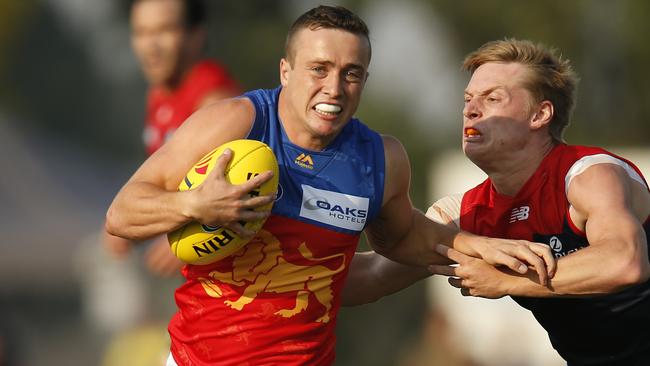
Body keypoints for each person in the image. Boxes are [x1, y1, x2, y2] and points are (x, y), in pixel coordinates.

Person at [106, 7, 554, 366]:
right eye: (318, 69)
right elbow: (122, 213)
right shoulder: (235, 123)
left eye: (351, 72)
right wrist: (194, 203)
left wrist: (484, 245)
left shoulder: (382, 160)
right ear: (286, 71)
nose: (334, 88)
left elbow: (404, 241)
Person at [426, 39, 650, 365]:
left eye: (492, 98)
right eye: (468, 99)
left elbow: (625, 262)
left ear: (540, 114)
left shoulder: (589, 174)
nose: (470, 110)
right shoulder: (467, 213)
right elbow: (378, 271)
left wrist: (507, 280)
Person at [104, 0, 240, 276]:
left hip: (234, 278)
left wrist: (189, 235)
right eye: (141, 32)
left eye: (164, 31)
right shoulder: (159, 94)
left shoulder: (214, 98)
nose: (150, 45)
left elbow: (242, 184)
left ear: (195, 35)